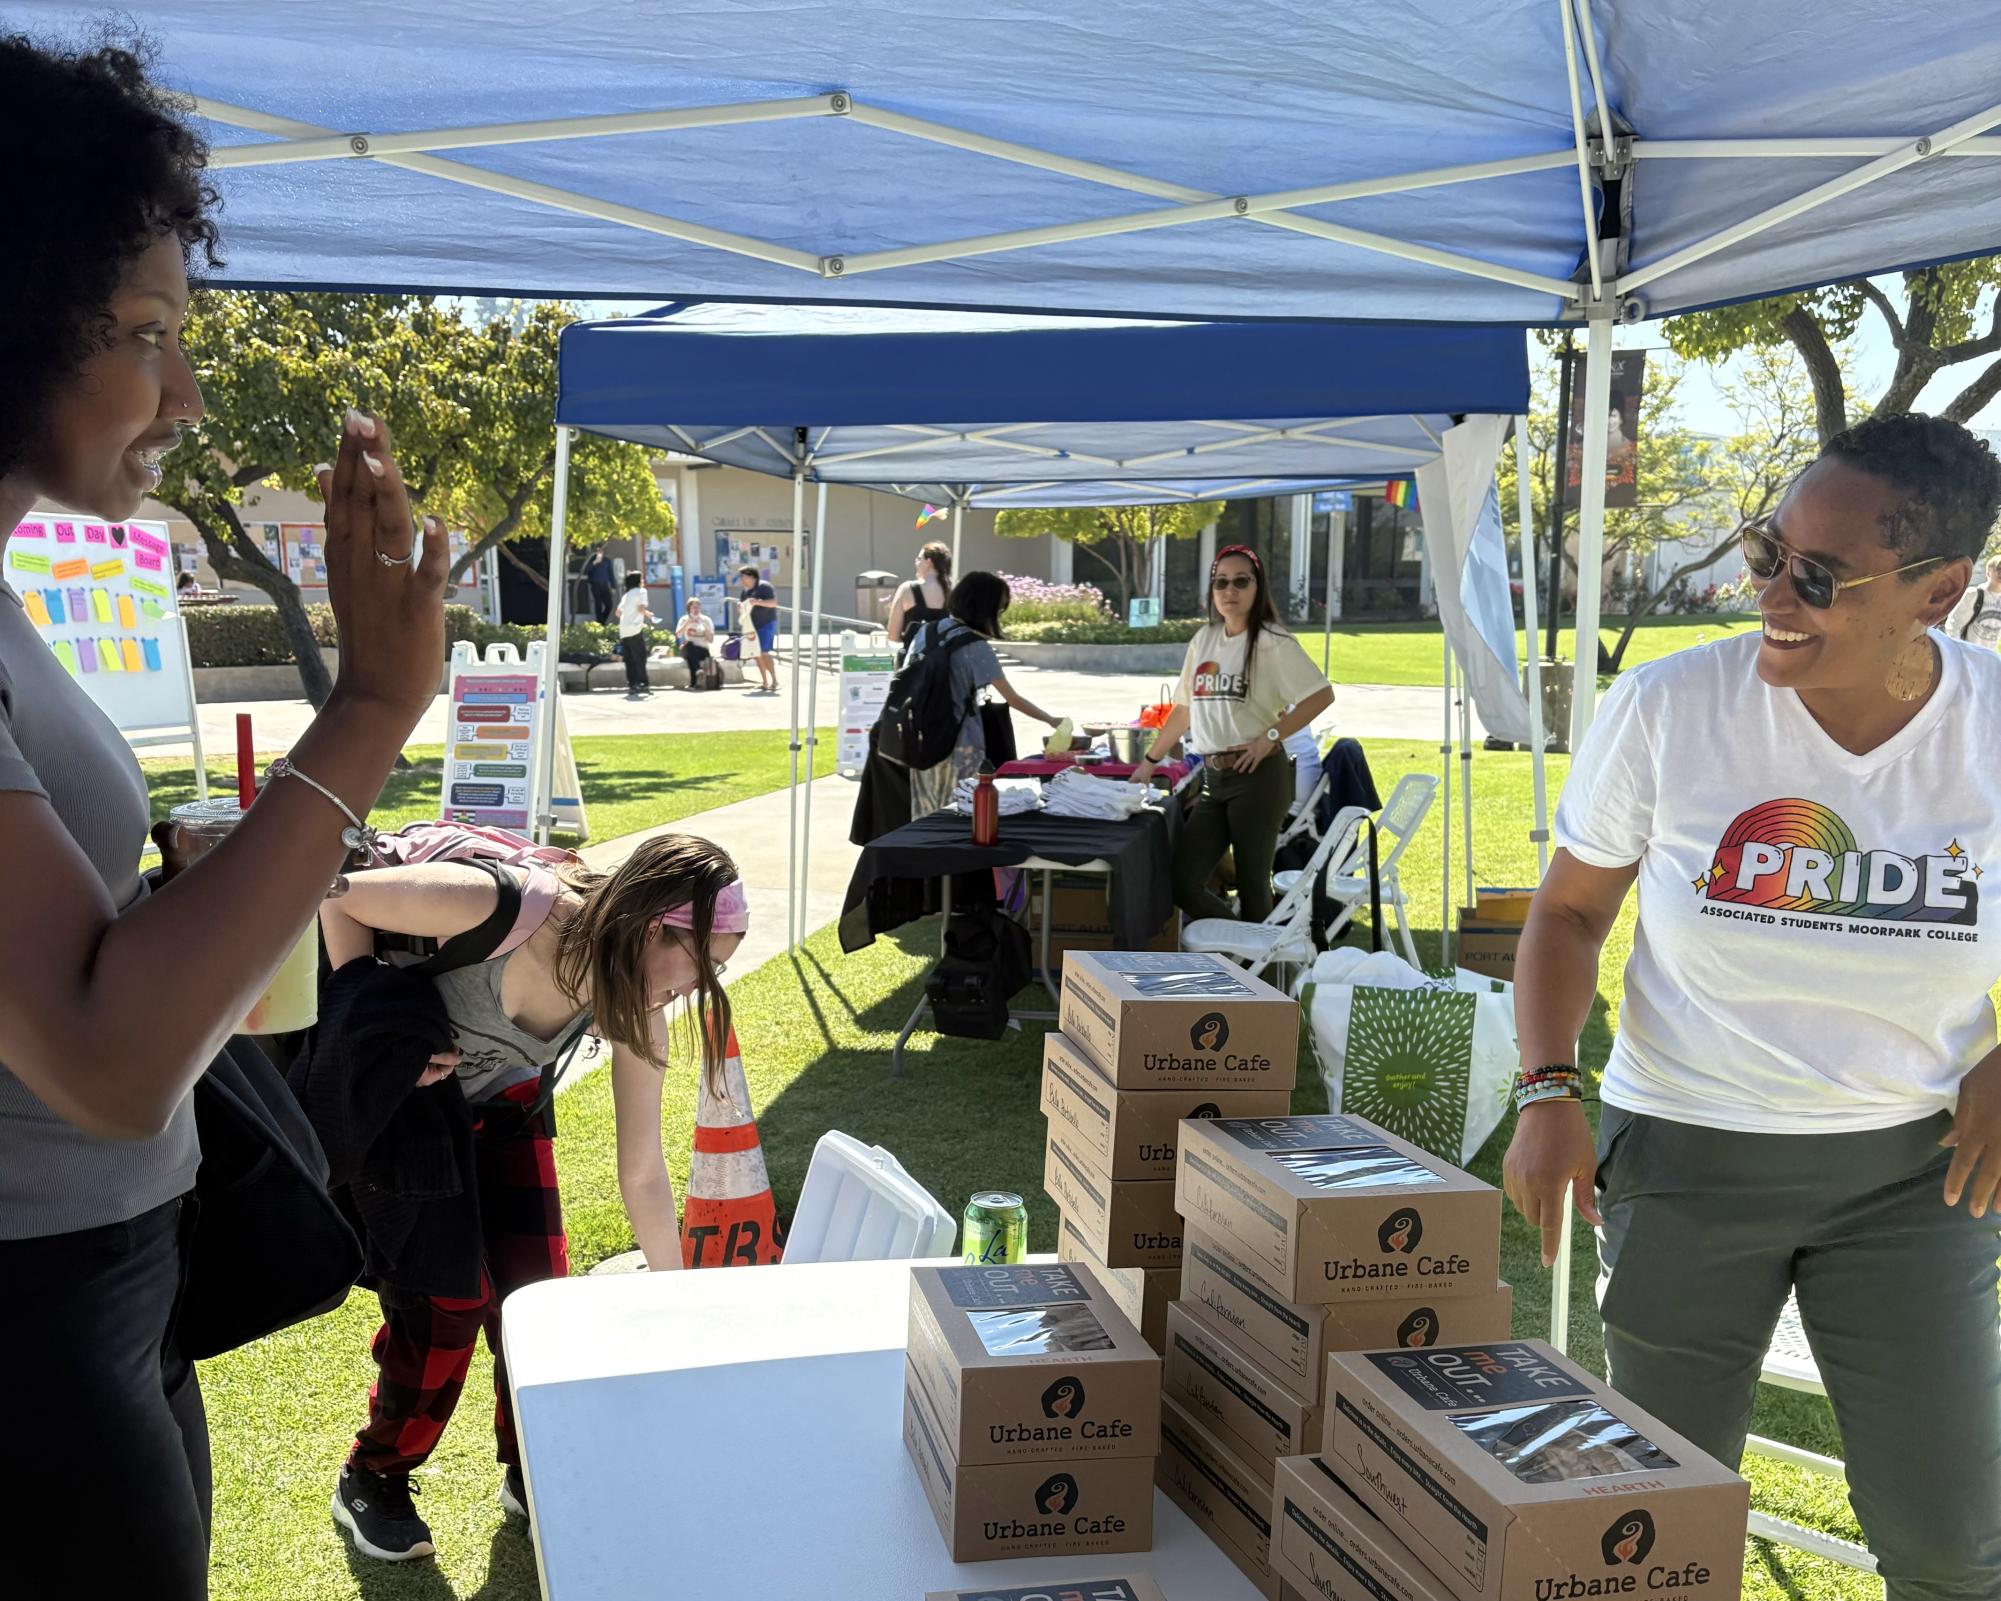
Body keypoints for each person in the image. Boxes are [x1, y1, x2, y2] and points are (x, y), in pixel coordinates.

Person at [0, 31, 447, 1597]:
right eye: (140, 332)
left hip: (103, 1285)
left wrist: (172, 892)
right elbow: (109, 1057)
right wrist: (373, 709)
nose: (183, 389)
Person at [1503, 413, 2001, 1601]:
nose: (1773, 591)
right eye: (1764, 548)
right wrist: (1546, 1091)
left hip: (1918, 1174)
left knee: (1951, 1539)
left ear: (1940, 592)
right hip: (1685, 1152)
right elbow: (1566, 917)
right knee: (1658, 1518)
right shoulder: (1673, 705)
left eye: (1818, 575)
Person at [319, 835, 746, 1563]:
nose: (697, 988)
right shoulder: (506, 905)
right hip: (409, 1110)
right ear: (651, 929)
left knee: (536, 1299)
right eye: (702, 964)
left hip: (504, 1106)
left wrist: (679, 1305)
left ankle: (532, 1465)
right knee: (448, 1301)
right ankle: (373, 1476)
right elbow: (335, 892)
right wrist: (378, 1014)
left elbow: (641, 1170)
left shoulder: (638, 1006)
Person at [1130, 546, 1333, 922]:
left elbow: (1321, 695)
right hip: (1214, 779)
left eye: (1241, 581)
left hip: (1259, 778)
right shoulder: (1204, 639)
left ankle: (1258, 972)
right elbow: (1184, 709)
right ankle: (1243, 948)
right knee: (1182, 881)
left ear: (1258, 587)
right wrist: (1149, 761)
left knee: (1254, 884)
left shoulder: (1272, 641)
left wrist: (1270, 735)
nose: (1230, 590)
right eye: (1221, 582)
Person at [901, 570, 1064, 818]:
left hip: (920, 737)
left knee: (924, 816)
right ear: (984, 608)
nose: (999, 615)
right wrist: (1052, 721)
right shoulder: (975, 646)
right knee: (963, 813)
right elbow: (1013, 698)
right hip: (961, 744)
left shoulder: (926, 632)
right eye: (999, 609)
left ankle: (920, 855)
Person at [886, 539, 952, 662]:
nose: (916, 562)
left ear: (929, 561)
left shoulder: (908, 589)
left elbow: (893, 635)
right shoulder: (954, 591)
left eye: (918, 559)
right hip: (946, 665)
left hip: (914, 667)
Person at [1945, 554, 2001, 651]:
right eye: (1998, 568)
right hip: (1967, 655)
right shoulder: (1974, 594)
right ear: (1988, 572)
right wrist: (1958, 651)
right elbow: (1953, 625)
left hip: (1989, 659)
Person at [738, 564, 780, 693]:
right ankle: (765, 682)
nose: (742, 579)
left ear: (752, 576)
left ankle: (774, 680)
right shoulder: (745, 592)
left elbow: (773, 603)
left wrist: (757, 602)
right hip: (752, 626)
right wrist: (740, 608)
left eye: (743, 576)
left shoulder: (764, 587)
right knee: (756, 653)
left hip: (767, 623)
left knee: (763, 652)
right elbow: (744, 610)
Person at [615, 572, 656, 697]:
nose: (643, 580)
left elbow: (617, 613)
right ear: (638, 581)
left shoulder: (626, 595)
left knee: (630, 659)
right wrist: (649, 615)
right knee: (640, 657)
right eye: (642, 578)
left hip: (624, 630)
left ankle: (633, 685)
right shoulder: (642, 591)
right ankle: (643, 684)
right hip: (634, 629)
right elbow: (640, 609)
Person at [676, 597, 715, 689]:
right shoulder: (684, 619)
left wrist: (705, 627)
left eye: (698, 607)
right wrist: (688, 622)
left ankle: (694, 682)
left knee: (692, 655)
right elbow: (678, 635)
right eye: (694, 607)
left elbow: (711, 640)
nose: (696, 609)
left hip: (703, 650)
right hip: (689, 649)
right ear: (689, 608)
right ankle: (698, 673)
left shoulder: (706, 620)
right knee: (690, 646)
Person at [583, 543, 616, 626]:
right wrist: (595, 562)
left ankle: (601, 621)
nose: (600, 552)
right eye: (598, 550)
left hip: (605, 584)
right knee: (598, 604)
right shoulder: (591, 560)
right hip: (595, 584)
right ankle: (600, 623)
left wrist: (613, 586)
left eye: (601, 550)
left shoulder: (607, 560)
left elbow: (611, 574)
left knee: (609, 604)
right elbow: (585, 571)